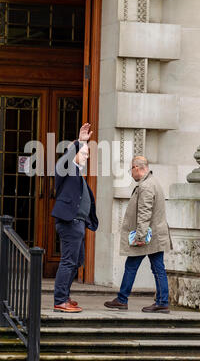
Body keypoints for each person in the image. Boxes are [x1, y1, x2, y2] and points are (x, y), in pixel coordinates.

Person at [104, 156, 172, 313]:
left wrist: (140, 237)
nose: (131, 173)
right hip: (154, 235)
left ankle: (126, 299)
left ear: (137, 168)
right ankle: (158, 301)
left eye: (131, 169)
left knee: (142, 267)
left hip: (147, 237)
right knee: (153, 268)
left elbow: (144, 213)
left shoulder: (146, 186)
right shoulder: (152, 182)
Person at [51, 123, 98, 313]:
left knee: (77, 261)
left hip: (78, 223)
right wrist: (79, 142)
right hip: (69, 223)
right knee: (68, 261)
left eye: (87, 155)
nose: (86, 158)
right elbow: (65, 160)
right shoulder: (66, 169)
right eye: (84, 154)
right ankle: (60, 300)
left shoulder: (78, 174)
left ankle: (65, 295)